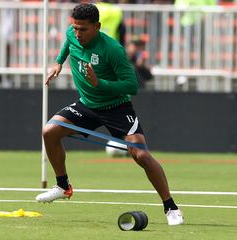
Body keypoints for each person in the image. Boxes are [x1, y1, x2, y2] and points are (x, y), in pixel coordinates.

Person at [35, 3, 183, 226]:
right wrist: (58, 62)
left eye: (83, 29)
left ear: (97, 26)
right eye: (75, 28)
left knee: (141, 155)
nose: (77, 33)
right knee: (50, 131)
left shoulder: (112, 49)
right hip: (87, 105)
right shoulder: (72, 33)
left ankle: (170, 207)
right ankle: (63, 186)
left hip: (117, 108)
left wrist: (99, 83)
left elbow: (132, 85)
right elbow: (68, 43)